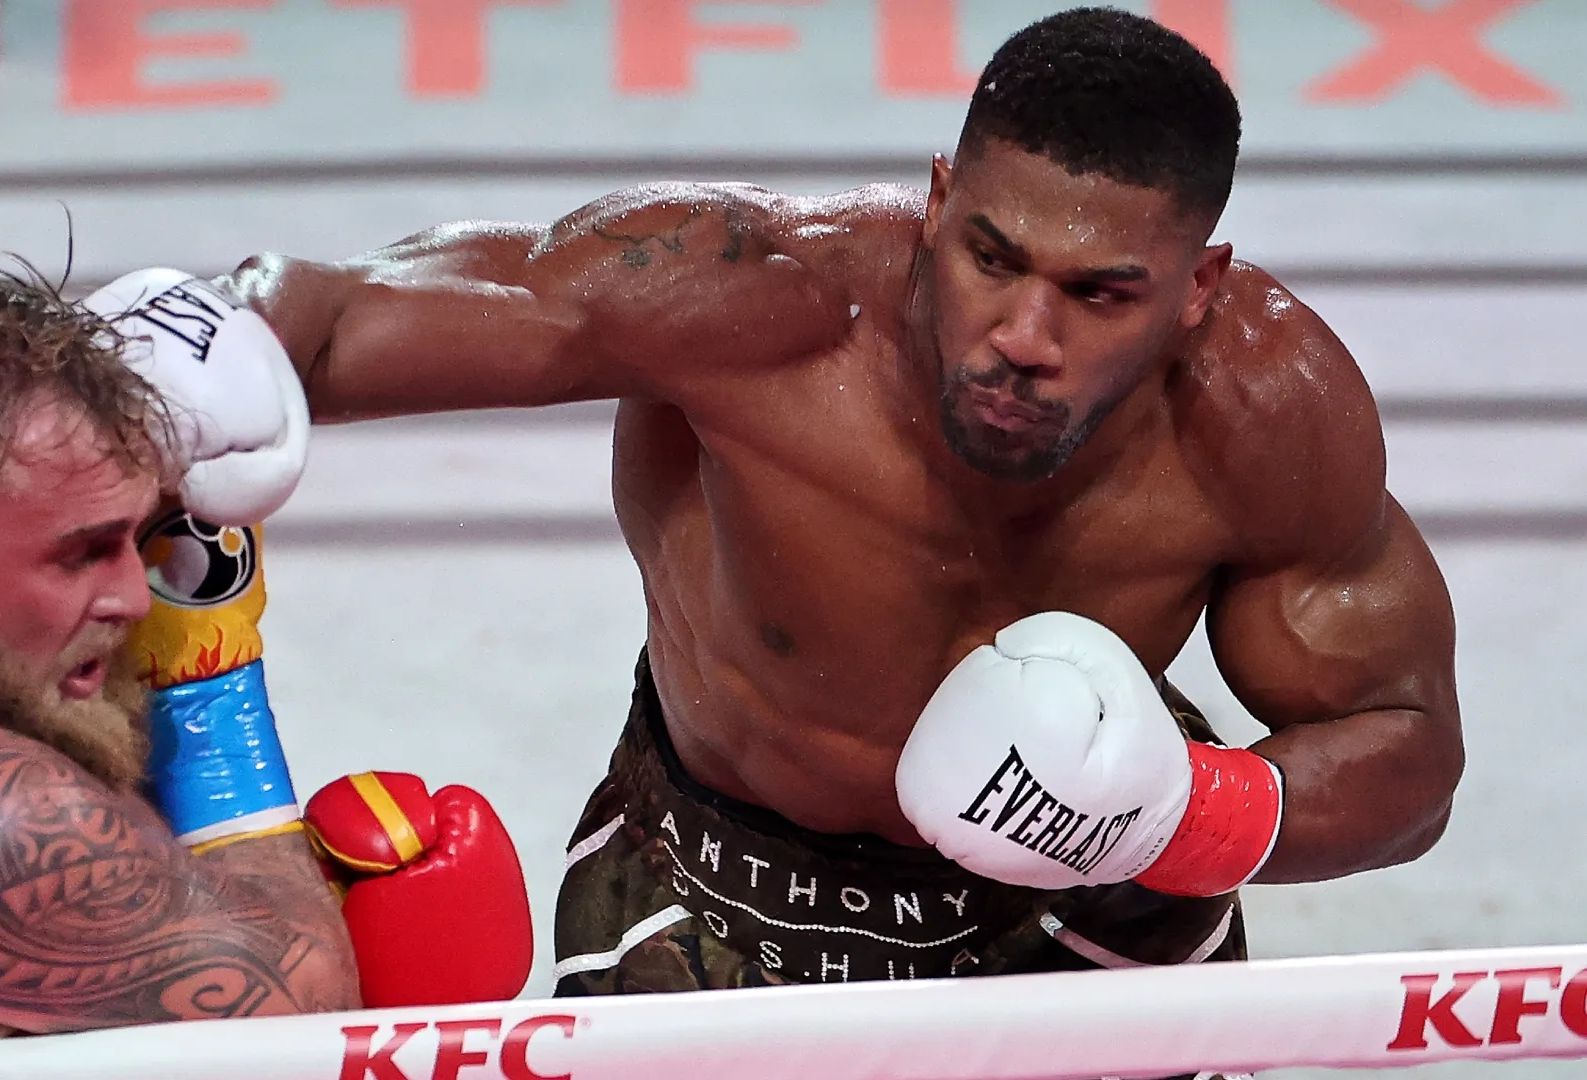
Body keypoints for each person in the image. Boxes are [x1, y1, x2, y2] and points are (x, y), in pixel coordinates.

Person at [101, 7, 1463, 1026]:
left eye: (1101, 294)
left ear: (1198, 286)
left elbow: (1407, 752)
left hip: (1086, 905)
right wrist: (213, 335)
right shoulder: (755, 296)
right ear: (940, 201)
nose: (1023, 336)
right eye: (991, 256)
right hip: (715, 889)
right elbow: (344, 318)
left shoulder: (1268, 413)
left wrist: (1188, 817)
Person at [0, 254, 531, 1041]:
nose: (137, 597)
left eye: (138, 538)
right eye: (83, 551)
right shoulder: (2, 827)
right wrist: (212, 696)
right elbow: (298, 1021)